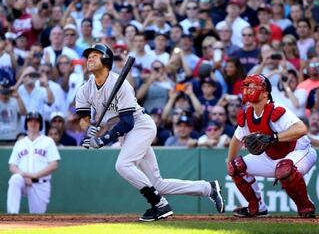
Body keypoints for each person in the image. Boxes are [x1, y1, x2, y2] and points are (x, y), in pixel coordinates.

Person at [76, 43, 224, 222]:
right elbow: (83, 118)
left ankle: (159, 205)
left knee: (123, 165)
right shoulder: (85, 89)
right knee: (157, 184)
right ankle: (208, 188)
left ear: (106, 60)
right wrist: (88, 130)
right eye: (88, 56)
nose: (89, 58)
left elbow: (128, 122)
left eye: (95, 55)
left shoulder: (120, 85)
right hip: (123, 133)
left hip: (140, 126)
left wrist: (102, 140)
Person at [227, 74, 317, 218]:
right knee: (235, 167)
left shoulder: (277, 109)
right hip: (271, 157)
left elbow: (301, 129)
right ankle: (257, 208)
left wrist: (273, 138)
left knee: (285, 169)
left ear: (265, 93)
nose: (249, 90)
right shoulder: (247, 114)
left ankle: (305, 207)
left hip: (299, 151)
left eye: (253, 87)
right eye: (247, 87)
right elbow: (236, 139)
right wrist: (229, 161)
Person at [7, 112, 61, 214]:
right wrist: (25, 175)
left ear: (40, 124)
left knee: (38, 218)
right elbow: (12, 167)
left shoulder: (48, 141)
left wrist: (34, 175)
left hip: (40, 183)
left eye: (36, 121)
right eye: (30, 121)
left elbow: (54, 164)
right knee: (15, 178)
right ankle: (12, 215)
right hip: (23, 180)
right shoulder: (20, 143)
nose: (33, 123)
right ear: (26, 124)